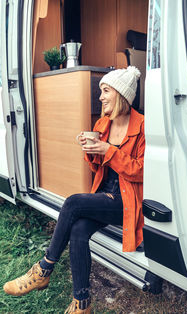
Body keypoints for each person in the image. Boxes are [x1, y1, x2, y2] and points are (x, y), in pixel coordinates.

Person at [3, 66, 145, 314]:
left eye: (105, 91)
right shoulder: (104, 123)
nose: (100, 97)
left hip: (126, 199)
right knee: (78, 230)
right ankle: (82, 304)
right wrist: (90, 151)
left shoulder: (143, 126)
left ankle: (43, 269)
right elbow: (97, 166)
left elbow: (141, 171)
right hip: (105, 194)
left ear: (121, 95)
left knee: (72, 203)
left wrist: (108, 151)